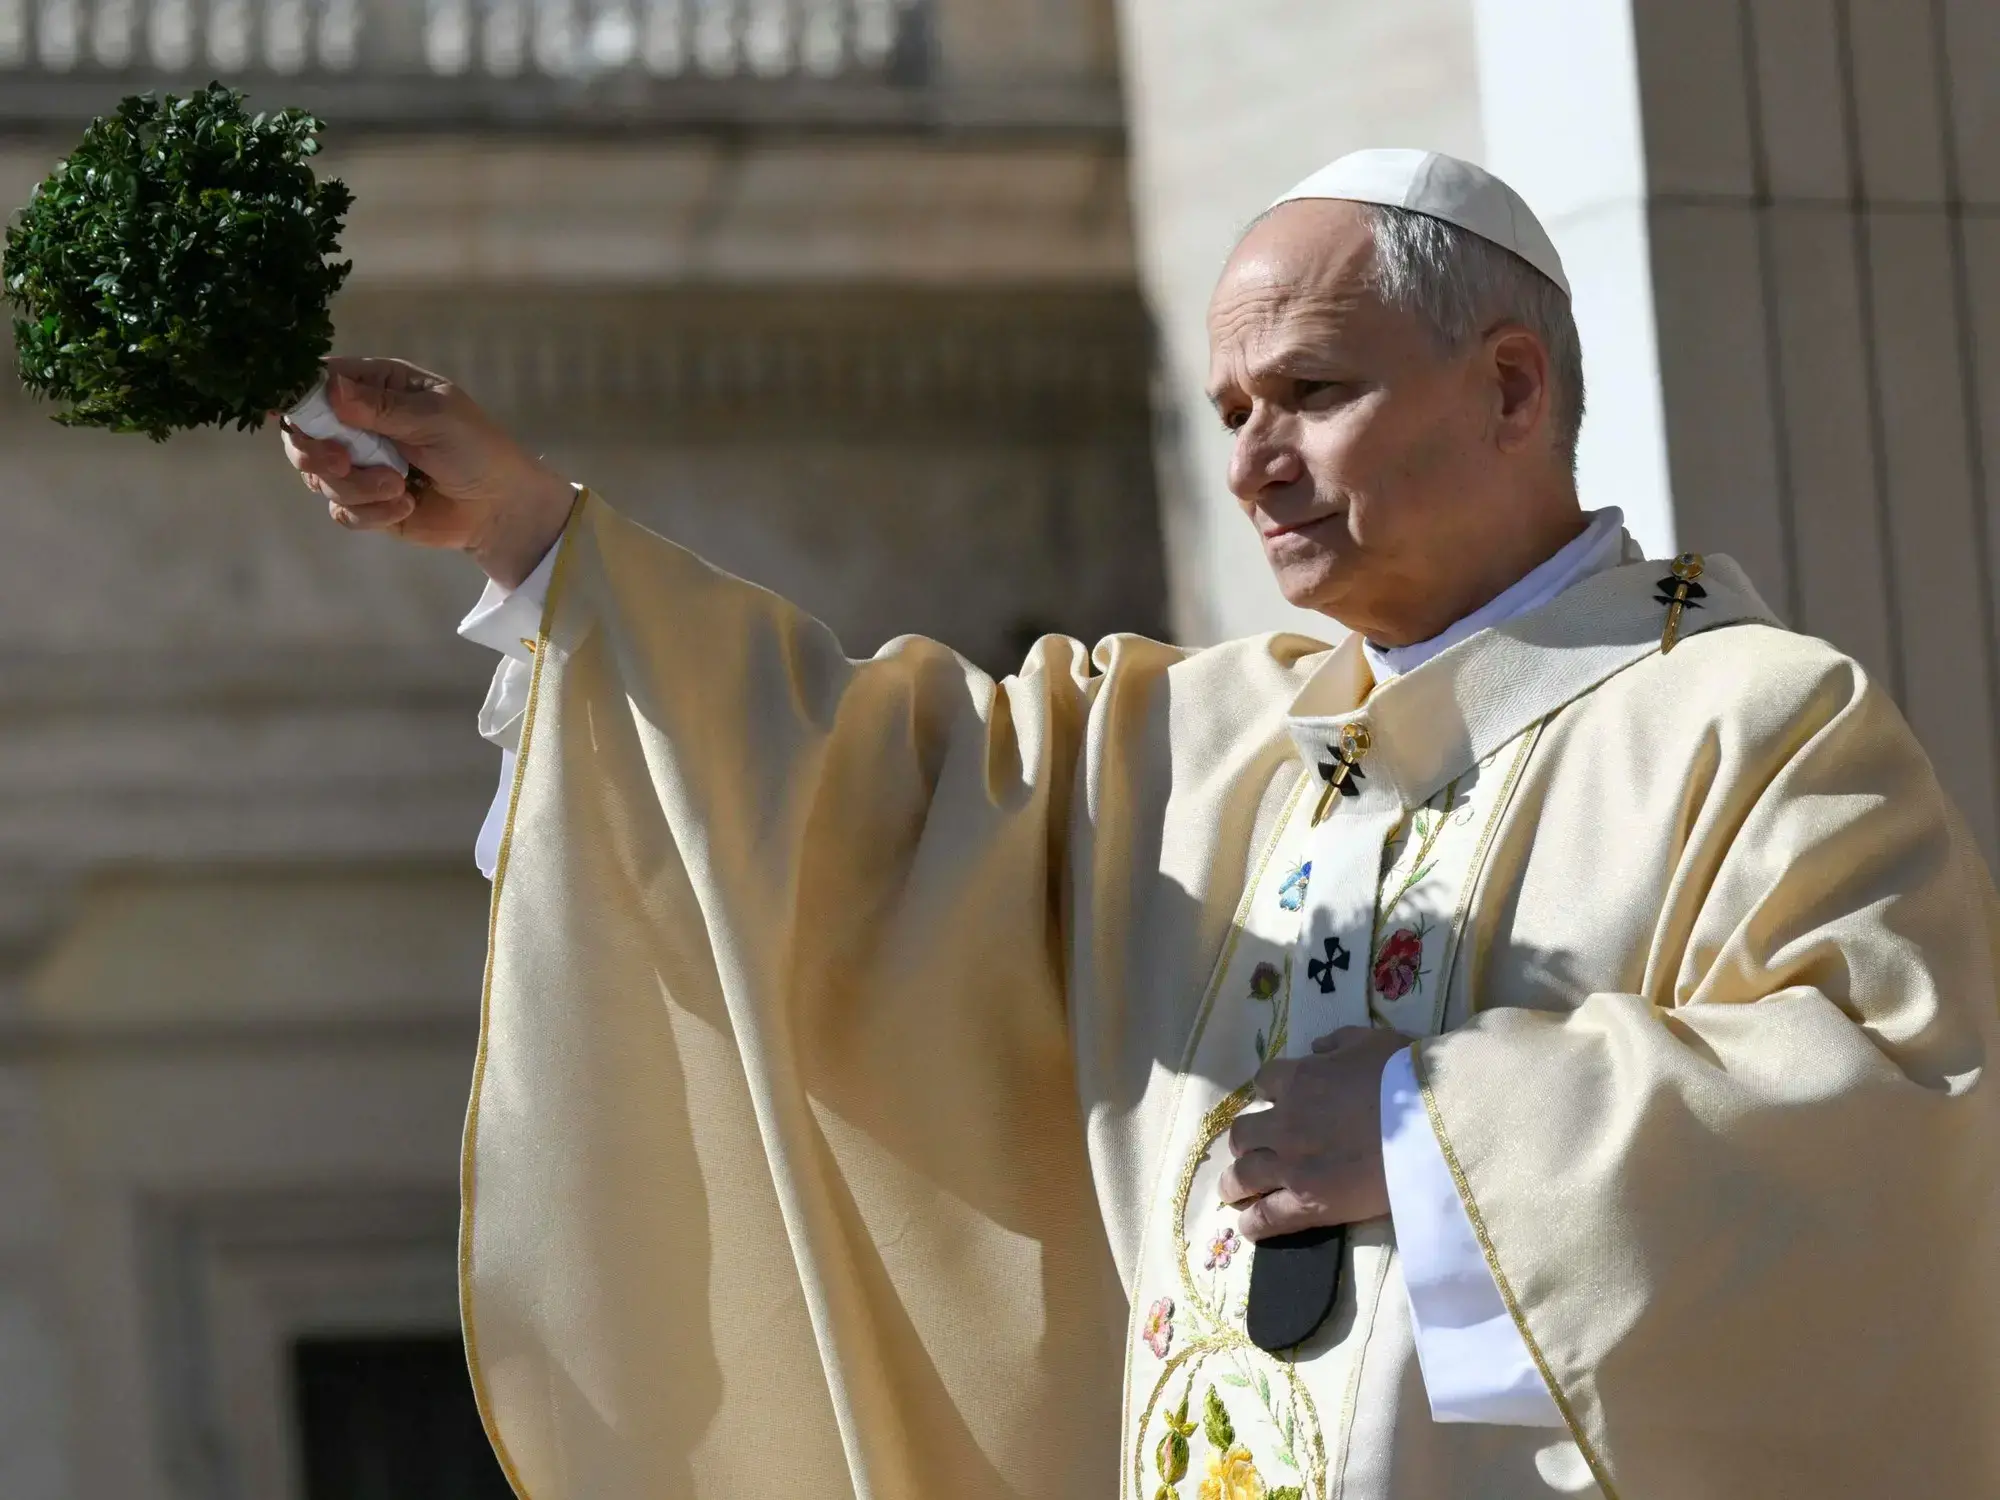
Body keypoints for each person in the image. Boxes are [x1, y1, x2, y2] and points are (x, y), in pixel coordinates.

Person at [280, 150, 2000, 1499]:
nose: (1255, 462)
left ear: (1512, 387)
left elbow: (1896, 1118)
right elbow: (830, 804)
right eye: (1231, 413)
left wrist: (1432, 1135)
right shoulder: (1185, 744)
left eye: (1311, 392)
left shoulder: (1747, 717)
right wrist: (534, 535)